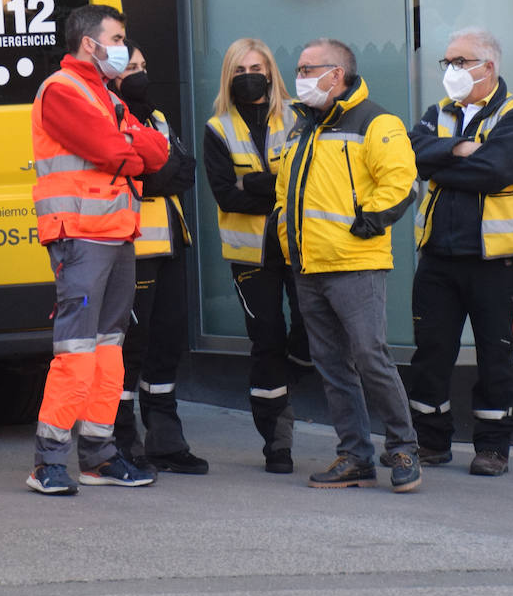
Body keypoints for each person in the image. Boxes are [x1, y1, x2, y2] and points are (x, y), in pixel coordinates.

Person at [27, 4, 169, 495]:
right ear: (90, 43)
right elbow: (114, 152)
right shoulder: (63, 90)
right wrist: (130, 145)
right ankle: (49, 461)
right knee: (76, 350)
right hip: (81, 235)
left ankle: (99, 454)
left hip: (115, 234)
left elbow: (158, 150)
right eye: (117, 37)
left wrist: (128, 142)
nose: (123, 48)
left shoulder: (103, 94)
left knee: (108, 351)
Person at [274, 38, 422, 493]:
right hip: (308, 266)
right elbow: (285, 194)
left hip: (355, 263)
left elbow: (401, 182)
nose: (298, 78)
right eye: (298, 70)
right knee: (331, 365)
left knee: (370, 356)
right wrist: (286, 237)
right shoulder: (301, 127)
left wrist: (367, 221)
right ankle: (354, 455)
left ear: (336, 74)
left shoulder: (376, 121)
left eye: (307, 69)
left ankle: (403, 448)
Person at [404, 28, 513, 477]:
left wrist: (440, 168)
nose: (451, 71)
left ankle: (492, 448)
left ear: (489, 67)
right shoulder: (439, 113)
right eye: (447, 63)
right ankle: (431, 442)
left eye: (460, 62)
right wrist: (460, 149)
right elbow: (412, 153)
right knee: (430, 353)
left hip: (495, 260)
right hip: (438, 258)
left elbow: (495, 169)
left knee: (494, 355)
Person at [202, 38, 313, 474]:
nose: (249, 74)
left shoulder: (300, 118)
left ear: (271, 71)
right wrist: (271, 186)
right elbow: (227, 195)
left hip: (300, 247)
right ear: (229, 76)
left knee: (311, 332)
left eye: (257, 66)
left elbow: (305, 185)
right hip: (251, 256)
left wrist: (256, 183)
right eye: (239, 68)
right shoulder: (218, 128)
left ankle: (289, 377)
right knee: (266, 341)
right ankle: (277, 443)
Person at [109, 43, 208, 474]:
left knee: (166, 344)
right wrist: (159, 174)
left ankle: (165, 440)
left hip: (170, 242)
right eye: (132, 66)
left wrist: (157, 175)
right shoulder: (108, 113)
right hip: (133, 247)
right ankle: (120, 440)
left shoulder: (157, 117)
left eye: (144, 65)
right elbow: (130, 175)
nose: (141, 74)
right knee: (130, 348)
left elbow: (185, 170)